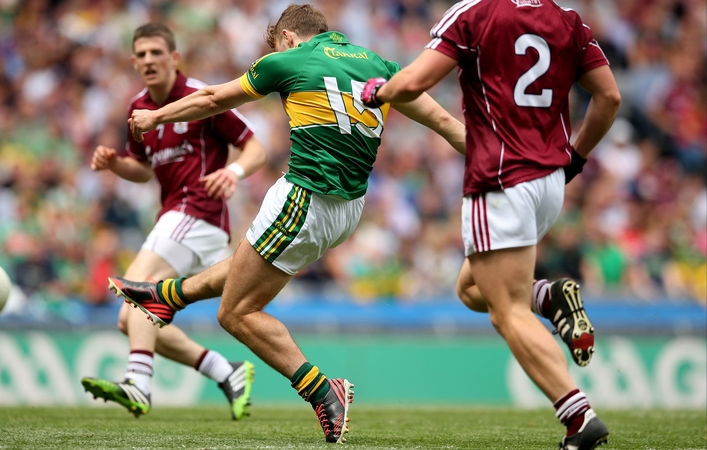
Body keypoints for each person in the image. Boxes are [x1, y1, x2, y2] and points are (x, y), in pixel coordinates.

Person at [107, 4, 465, 444]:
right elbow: (446, 122)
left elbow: (213, 98)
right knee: (247, 264)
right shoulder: (380, 64)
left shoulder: (291, 58)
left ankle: (321, 390)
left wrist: (156, 116)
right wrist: (502, 164)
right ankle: (167, 297)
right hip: (349, 209)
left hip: (305, 197)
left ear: (289, 39)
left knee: (236, 313)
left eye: (277, 45)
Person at [360, 1, 621, 449]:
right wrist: (576, 157)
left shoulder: (475, 13)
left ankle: (577, 415)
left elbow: (416, 81)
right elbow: (610, 96)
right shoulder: (568, 18)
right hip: (548, 183)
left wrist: (379, 93)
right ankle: (549, 294)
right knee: (470, 288)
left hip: (501, 179)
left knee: (507, 311)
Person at [80, 23, 267, 420]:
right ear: (133, 62)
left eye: (156, 53)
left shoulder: (200, 97)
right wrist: (116, 164)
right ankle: (225, 370)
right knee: (128, 318)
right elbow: (144, 170)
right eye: (142, 55)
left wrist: (233, 173)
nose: (149, 60)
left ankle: (138, 384)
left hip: (198, 213)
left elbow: (256, 148)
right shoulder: (137, 108)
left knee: (138, 293)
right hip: (174, 217)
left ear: (174, 58)